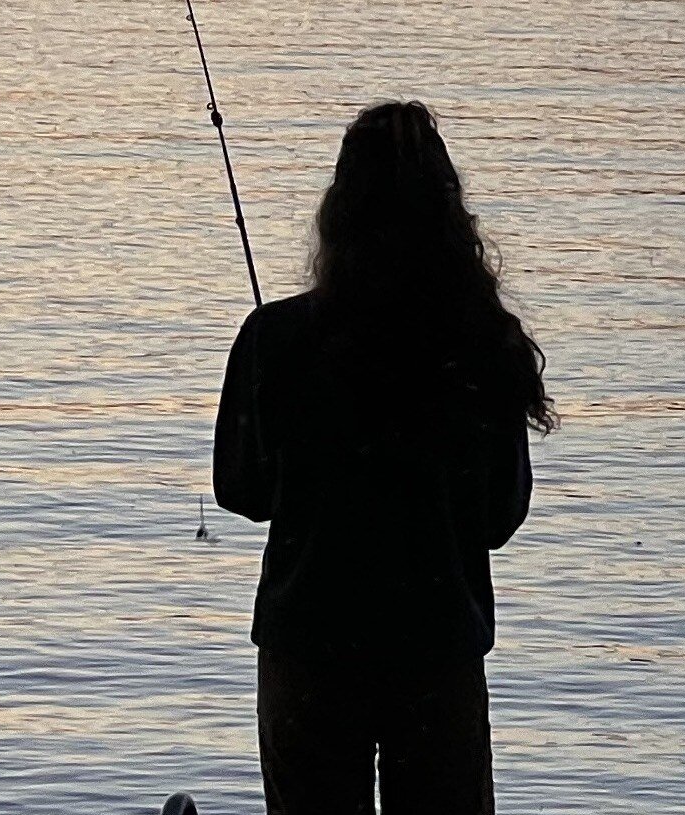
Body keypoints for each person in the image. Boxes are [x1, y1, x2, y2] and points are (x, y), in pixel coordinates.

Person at [213, 100, 556, 815]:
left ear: (340, 208)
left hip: (308, 643)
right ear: (447, 213)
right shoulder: (481, 343)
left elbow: (240, 489)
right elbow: (500, 514)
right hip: (437, 646)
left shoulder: (274, 337)